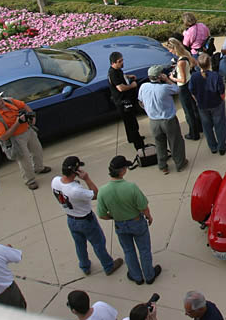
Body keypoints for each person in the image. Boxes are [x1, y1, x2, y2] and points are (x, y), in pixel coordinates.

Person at [52, 155, 125, 278]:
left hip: (71, 218)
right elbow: (96, 194)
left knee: (79, 244)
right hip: (85, 220)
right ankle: (108, 265)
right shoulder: (75, 190)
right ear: (75, 171)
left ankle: (84, 266)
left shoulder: (55, 181)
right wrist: (87, 179)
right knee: (98, 243)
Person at [97, 156, 160, 286]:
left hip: (120, 225)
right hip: (137, 222)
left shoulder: (103, 191)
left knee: (128, 251)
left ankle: (136, 276)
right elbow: (143, 207)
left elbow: (102, 215)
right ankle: (149, 275)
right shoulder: (131, 187)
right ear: (123, 171)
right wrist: (149, 217)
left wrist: (114, 217)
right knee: (144, 250)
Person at [0, 92, 49, 189]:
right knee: (25, 160)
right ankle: (30, 181)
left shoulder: (9, 101)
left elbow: (24, 105)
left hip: (28, 130)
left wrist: (32, 116)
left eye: (0, 99)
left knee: (37, 150)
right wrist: (17, 123)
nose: (1, 102)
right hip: (16, 138)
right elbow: (3, 137)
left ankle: (39, 168)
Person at [138, 65, 187, 173]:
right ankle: (180, 163)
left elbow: (140, 101)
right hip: (168, 120)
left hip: (153, 121)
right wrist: (167, 79)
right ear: (159, 76)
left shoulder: (143, 87)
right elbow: (177, 89)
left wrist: (148, 109)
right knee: (175, 142)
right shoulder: (165, 88)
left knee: (159, 144)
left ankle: (163, 165)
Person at [188, 52, 226, 155]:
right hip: (216, 105)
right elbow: (222, 93)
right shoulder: (216, 76)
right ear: (209, 63)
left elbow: (192, 91)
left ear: (198, 64)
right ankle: (222, 146)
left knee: (207, 127)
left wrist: (198, 100)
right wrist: (221, 100)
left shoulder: (194, 77)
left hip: (202, 105)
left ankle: (213, 147)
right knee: (220, 125)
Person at [108, 52, 145, 150]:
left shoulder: (117, 70)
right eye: (120, 61)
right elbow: (121, 88)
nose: (122, 62)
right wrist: (132, 85)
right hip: (122, 102)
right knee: (131, 123)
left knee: (129, 121)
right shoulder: (113, 73)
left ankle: (131, 138)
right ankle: (139, 145)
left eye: (122, 60)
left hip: (124, 100)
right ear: (113, 63)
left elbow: (121, 77)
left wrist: (128, 76)